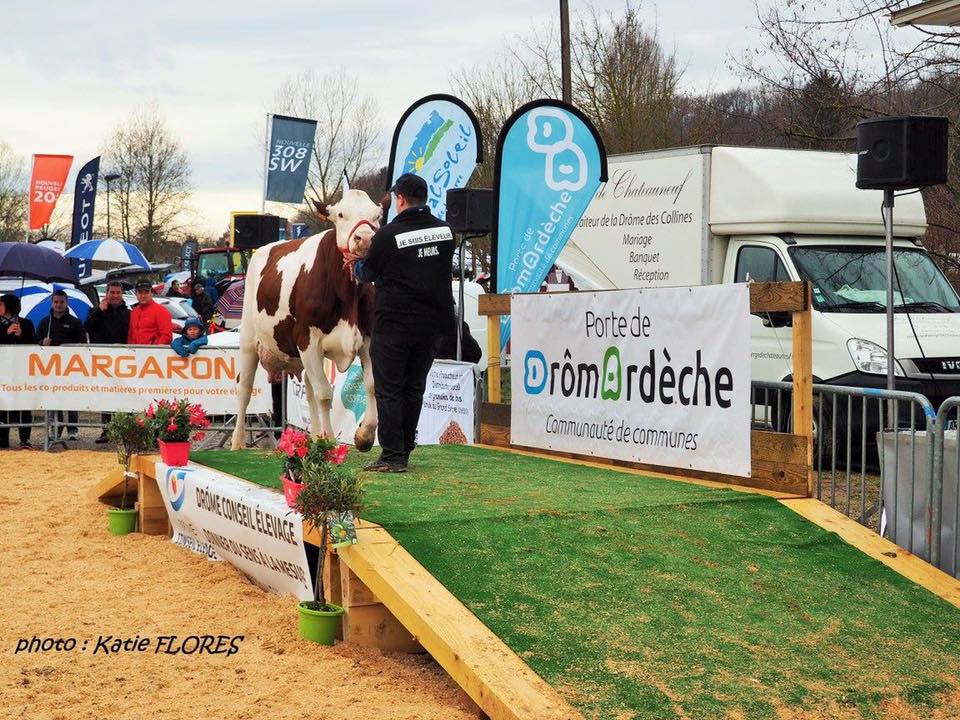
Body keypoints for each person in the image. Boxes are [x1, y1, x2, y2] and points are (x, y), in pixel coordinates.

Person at [354, 173, 456, 472]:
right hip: (432, 325)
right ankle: (405, 449)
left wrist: (358, 261)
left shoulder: (387, 236)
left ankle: (392, 455)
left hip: (395, 325)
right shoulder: (446, 232)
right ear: (424, 198)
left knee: (389, 389)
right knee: (414, 388)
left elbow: (366, 274)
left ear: (399, 199)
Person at [84, 280, 131, 443]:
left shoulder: (128, 313)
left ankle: (126, 430)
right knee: (107, 396)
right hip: (103, 361)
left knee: (126, 396)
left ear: (122, 294)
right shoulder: (95, 310)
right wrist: (99, 311)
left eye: (118, 293)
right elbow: (87, 327)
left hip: (124, 361)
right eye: (112, 292)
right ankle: (107, 430)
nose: (115, 296)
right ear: (107, 294)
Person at [37, 289, 87, 440]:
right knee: (53, 399)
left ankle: (73, 429)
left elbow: (83, 343)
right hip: (50, 368)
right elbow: (35, 341)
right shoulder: (45, 322)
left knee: (71, 398)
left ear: (67, 303)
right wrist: (42, 343)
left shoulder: (75, 322)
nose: (59, 305)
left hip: (70, 366)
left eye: (62, 302)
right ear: (52, 303)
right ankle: (55, 428)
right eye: (56, 302)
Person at [0, 294, 36, 449]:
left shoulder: (26, 324)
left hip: (21, 372)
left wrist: (21, 335)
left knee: (24, 405)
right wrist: (5, 333)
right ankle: (2, 439)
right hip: (2, 371)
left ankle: (25, 439)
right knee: (2, 406)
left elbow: (34, 345)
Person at [128, 280, 173, 345]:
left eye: (146, 292)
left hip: (153, 353)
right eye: (140, 292)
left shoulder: (161, 311)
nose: (143, 295)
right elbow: (130, 335)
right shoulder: (134, 312)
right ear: (136, 294)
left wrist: (151, 349)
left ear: (151, 293)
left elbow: (167, 337)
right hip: (135, 353)